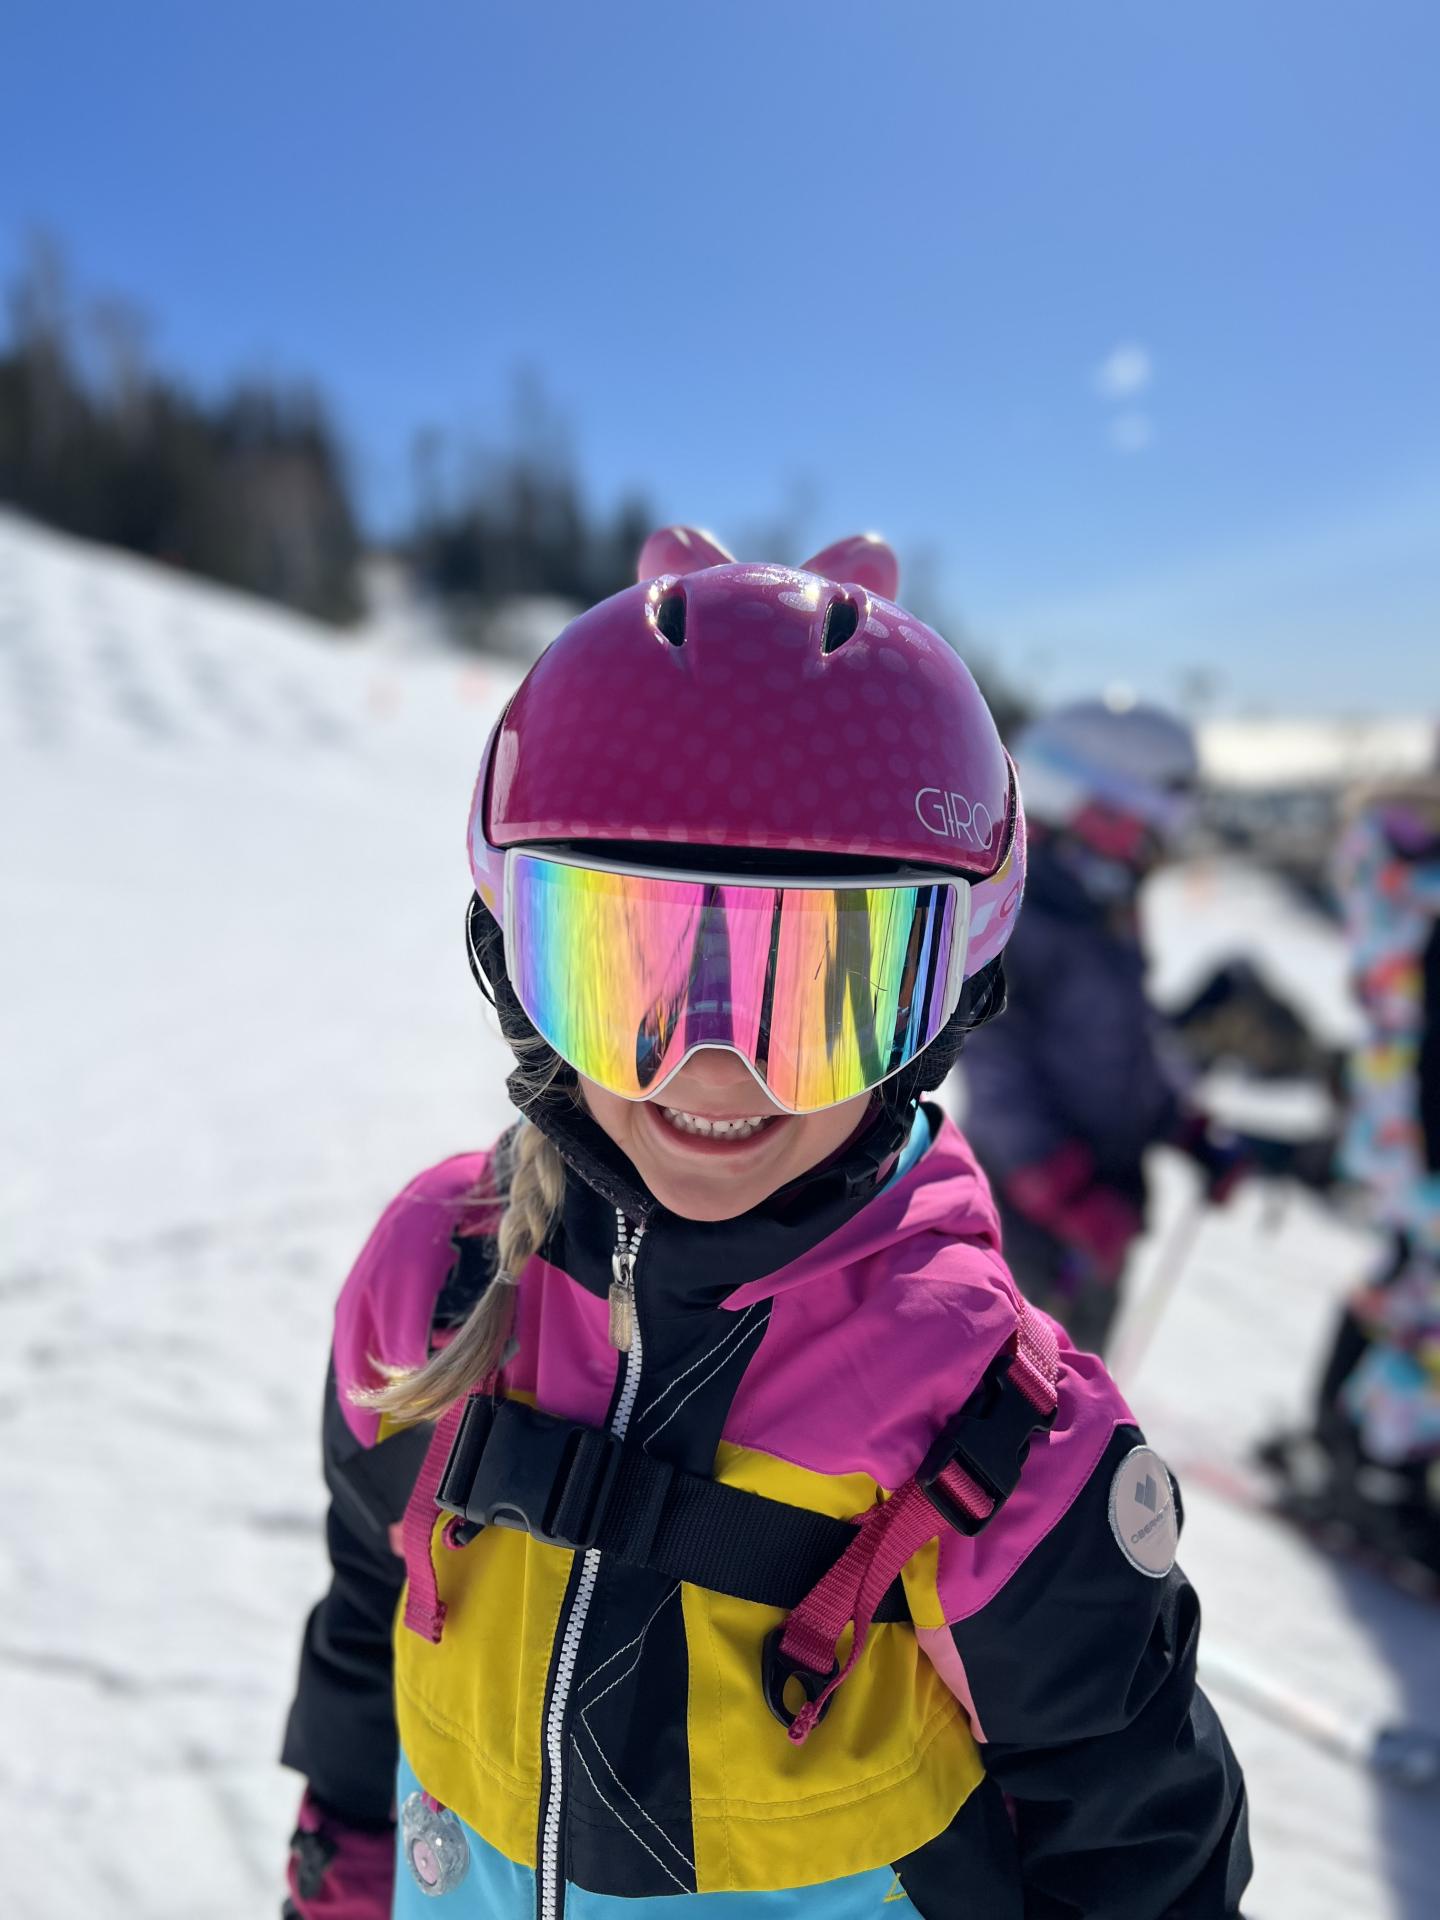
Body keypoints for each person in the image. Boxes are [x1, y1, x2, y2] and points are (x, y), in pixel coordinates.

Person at [281, 532, 1250, 1918]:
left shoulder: (993, 1430)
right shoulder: (436, 1282)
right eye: (628, 973)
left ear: (952, 992)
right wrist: (342, 1865)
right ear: (511, 958)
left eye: (827, 994)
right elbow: (373, 1614)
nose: (714, 1076)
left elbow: (1140, 1850)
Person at [958, 699, 1243, 1355]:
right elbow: (993, 1057)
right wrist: (1058, 1185)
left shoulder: (1106, 908)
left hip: (1103, 1210)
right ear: (1085, 806)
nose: (1155, 848)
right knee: (1010, 1398)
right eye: (1144, 826)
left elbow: (1129, 1045)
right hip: (1024, 1221)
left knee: (1079, 1392)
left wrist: (1186, 1127)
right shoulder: (1022, 912)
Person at [1259, 776, 1440, 1573]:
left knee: (1407, 1284)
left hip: (1400, 1125)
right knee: (1422, 1305)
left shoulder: (1392, 872)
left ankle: (1349, 1442)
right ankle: (1375, 1465)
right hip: (1419, 1128)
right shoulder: (1413, 880)